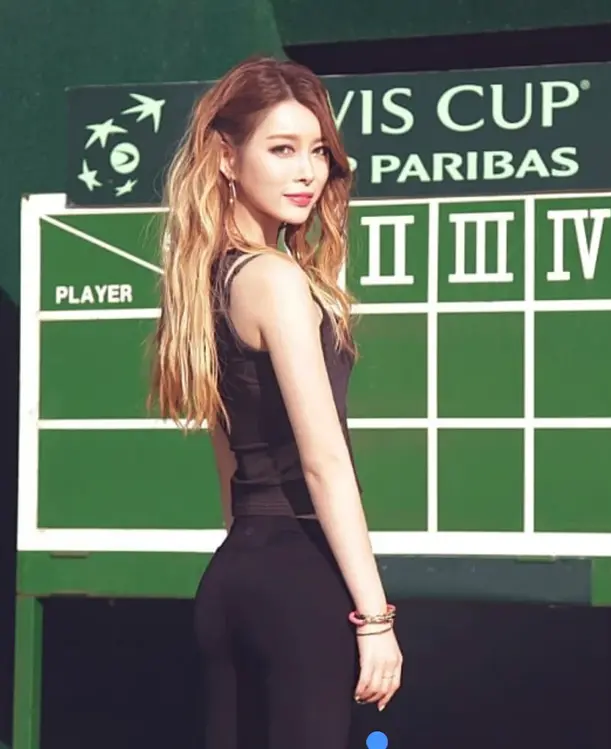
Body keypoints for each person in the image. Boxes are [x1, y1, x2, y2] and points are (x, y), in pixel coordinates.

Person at [148, 55, 403, 748]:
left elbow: (227, 458)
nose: (308, 172)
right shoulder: (276, 280)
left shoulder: (205, 280)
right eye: (282, 149)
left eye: (318, 151)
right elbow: (324, 461)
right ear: (226, 158)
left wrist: (252, 562)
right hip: (298, 586)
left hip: (233, 580)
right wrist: (375, 618)